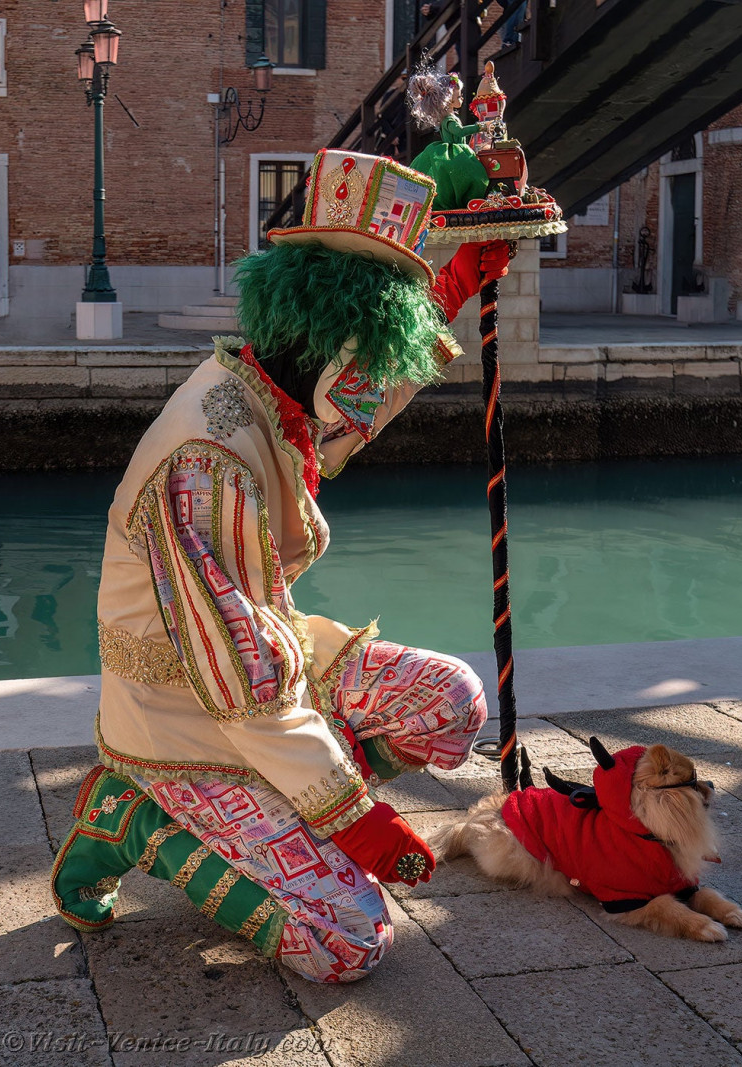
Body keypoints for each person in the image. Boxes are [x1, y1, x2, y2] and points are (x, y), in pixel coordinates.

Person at [52, 148, 511, 984]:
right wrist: (354, 817)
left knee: (450, 705)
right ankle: (130, 816)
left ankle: (289, 805)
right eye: (364, 350)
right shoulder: (207, 454)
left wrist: (451, 287)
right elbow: (240, 681)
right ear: (330, 341)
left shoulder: (276, 388)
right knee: (349, 943)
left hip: (265, 664)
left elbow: (351, 416)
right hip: (181, 714)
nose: (371, 375)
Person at [407, 61, 493, 210]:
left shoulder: (449, 117)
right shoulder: (449, 119)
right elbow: (459, 131)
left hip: (459, 149)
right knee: (468, 174)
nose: (462, 99)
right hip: (456, 152)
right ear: (449, 100)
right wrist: (480, 126)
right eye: (459, 97)